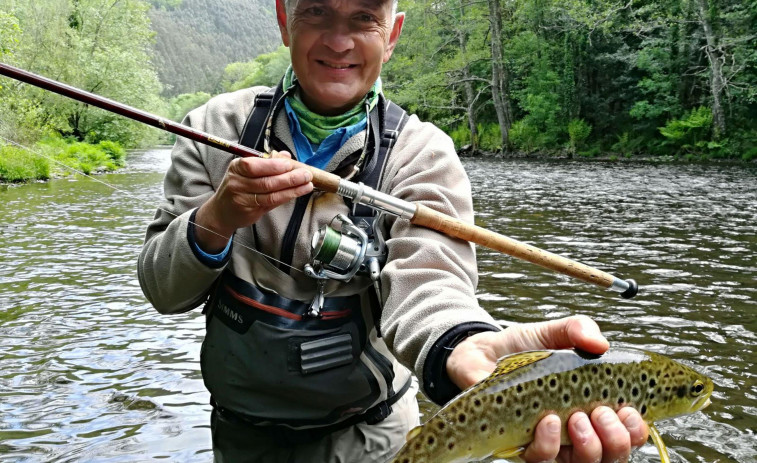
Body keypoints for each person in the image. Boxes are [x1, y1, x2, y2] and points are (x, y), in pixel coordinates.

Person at [138, 0, 649, 462]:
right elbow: (163, 290)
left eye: (364, 17)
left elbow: (432, 283)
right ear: (282, 20)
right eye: (316, 12)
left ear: (393, 33)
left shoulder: (422, 154)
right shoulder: (212, 129)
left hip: (374, 440)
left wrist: (463, 347)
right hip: (240, 439)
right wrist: (216, 218)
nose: (339, 41)